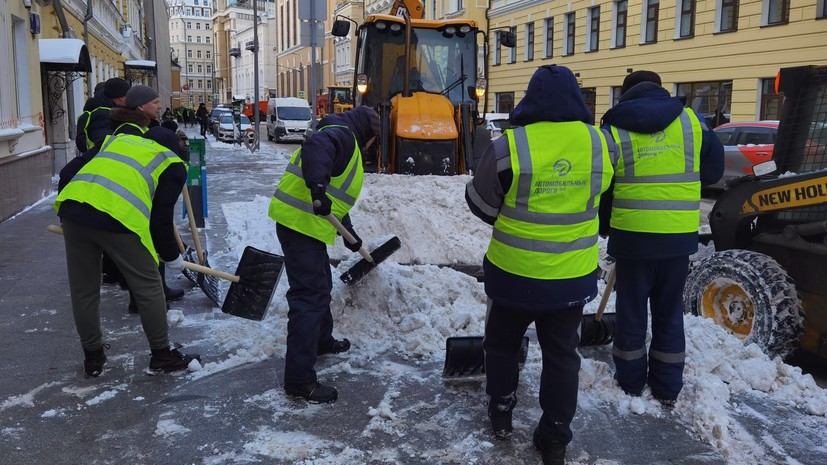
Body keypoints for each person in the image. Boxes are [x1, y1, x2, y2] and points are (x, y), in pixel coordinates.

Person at [465, 65, 617, 465]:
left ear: (529, 98)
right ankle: (554, 438)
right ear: (576, 98)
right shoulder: (601, 144)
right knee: (563, 356)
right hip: (570, 280)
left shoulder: (508, 145)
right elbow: (605, 201)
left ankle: (501, 411)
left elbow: (481, 204)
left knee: (500, 345)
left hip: (512, 276)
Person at [55, 84, 202, 378]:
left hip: (74, 211)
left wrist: (71, 213)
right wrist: (171, 257)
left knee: (84, 290)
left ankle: (93, 358)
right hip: (117, 219)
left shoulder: (114, 143)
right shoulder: (170, 162)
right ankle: (161, 355)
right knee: (148, 286)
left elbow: (67, 173)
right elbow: (160, 222)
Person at [599, 71, 724, 406]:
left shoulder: (613, 127)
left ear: (625, 96)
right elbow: (712, 172)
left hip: (632, 239)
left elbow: (604, 184)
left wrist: (605, 226)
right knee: (669, 312)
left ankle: (630, 383)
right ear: (660, 89)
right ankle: (668, 388)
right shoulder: (692, 121)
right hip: (677, 238)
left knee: (631, 312)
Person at [267, 105, 381, 404]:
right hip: (299, 225)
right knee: (309, 297)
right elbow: (316, 148)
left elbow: (335, 200)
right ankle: (299, 380)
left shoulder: (344, 139)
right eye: (374, 139)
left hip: (306, 226)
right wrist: (317, 190)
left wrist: (351, 237)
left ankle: (321, 340)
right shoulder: (340, 136)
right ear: (367, 134)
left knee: (321, 287)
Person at [75, 77, 131, 154]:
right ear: (121, 98)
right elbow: (107, 144)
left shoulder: (92, 112)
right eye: (129, 95)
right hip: (102, 158)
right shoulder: (105, 115)